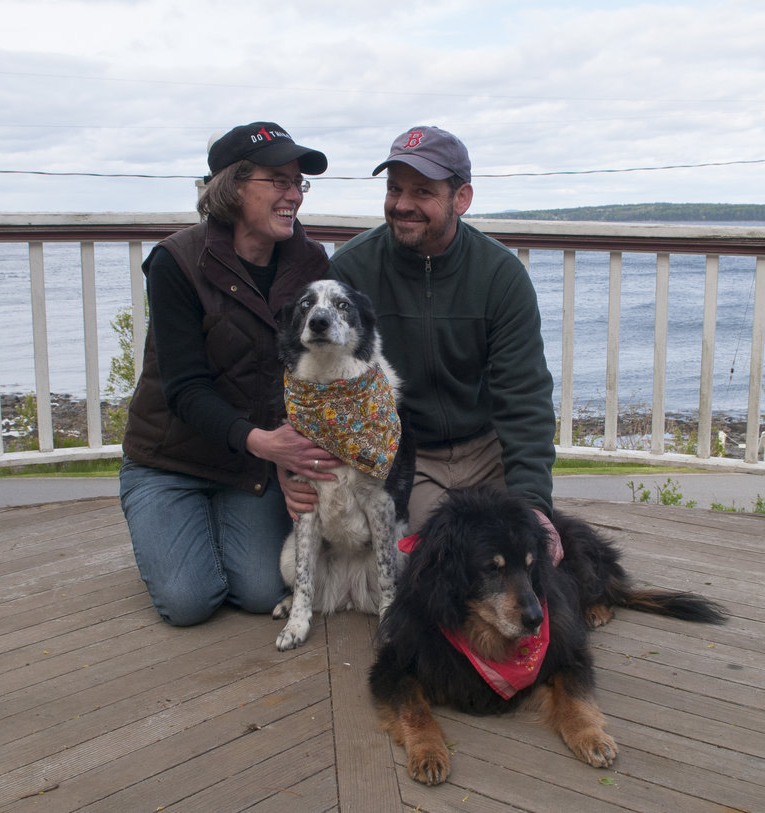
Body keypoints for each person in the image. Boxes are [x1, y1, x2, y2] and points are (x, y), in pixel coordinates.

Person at [119, 122, 339, 626]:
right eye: (278, 181)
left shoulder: (311, 262)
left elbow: (314, 377)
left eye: (298, 183)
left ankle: (203, 531)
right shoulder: (177, 261)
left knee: (264, 592)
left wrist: (291, 462)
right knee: (189, 602)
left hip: (249, 469)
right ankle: (167, 526)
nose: (293, 196)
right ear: (234, 187)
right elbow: (185, 389)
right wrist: (265, 445)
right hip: (170, 462)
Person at [324, 125, 562, 556]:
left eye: (421, 191)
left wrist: (533, 503)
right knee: (437, 561)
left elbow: (524, 396)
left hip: (488, 450)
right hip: (410, 457)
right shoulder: (350, 272)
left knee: (526, 551)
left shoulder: (501, 275)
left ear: (462, 198)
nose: (402, 205)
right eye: (394, 189)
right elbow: (328, 387)